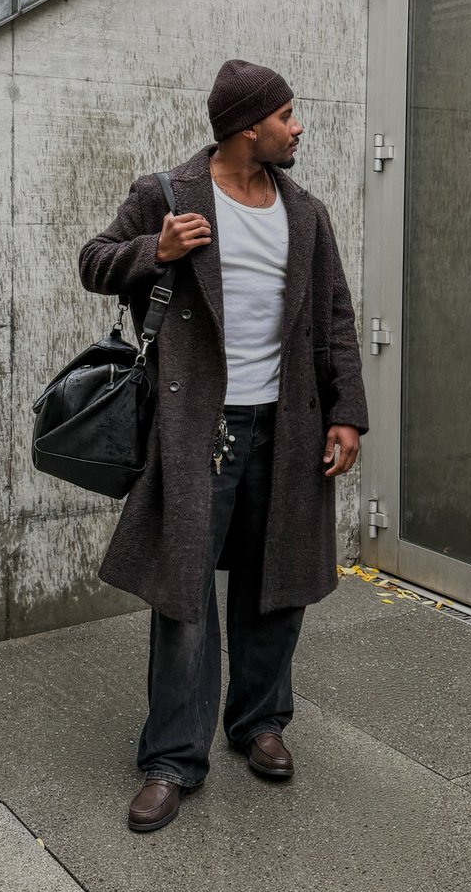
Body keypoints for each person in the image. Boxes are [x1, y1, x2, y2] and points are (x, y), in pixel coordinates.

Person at [78, 58, 368, 833]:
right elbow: (93, 261)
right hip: (196, 429)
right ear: (249, 127)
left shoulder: (304, 211)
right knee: (184, 601)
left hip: (288, 426)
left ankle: (260, 722)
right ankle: (172, 758)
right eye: (285, 115)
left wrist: (347, 414)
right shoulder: (166, 196)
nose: (297, 125)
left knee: (278, 584)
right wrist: (156, 251)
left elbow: (334, 319)